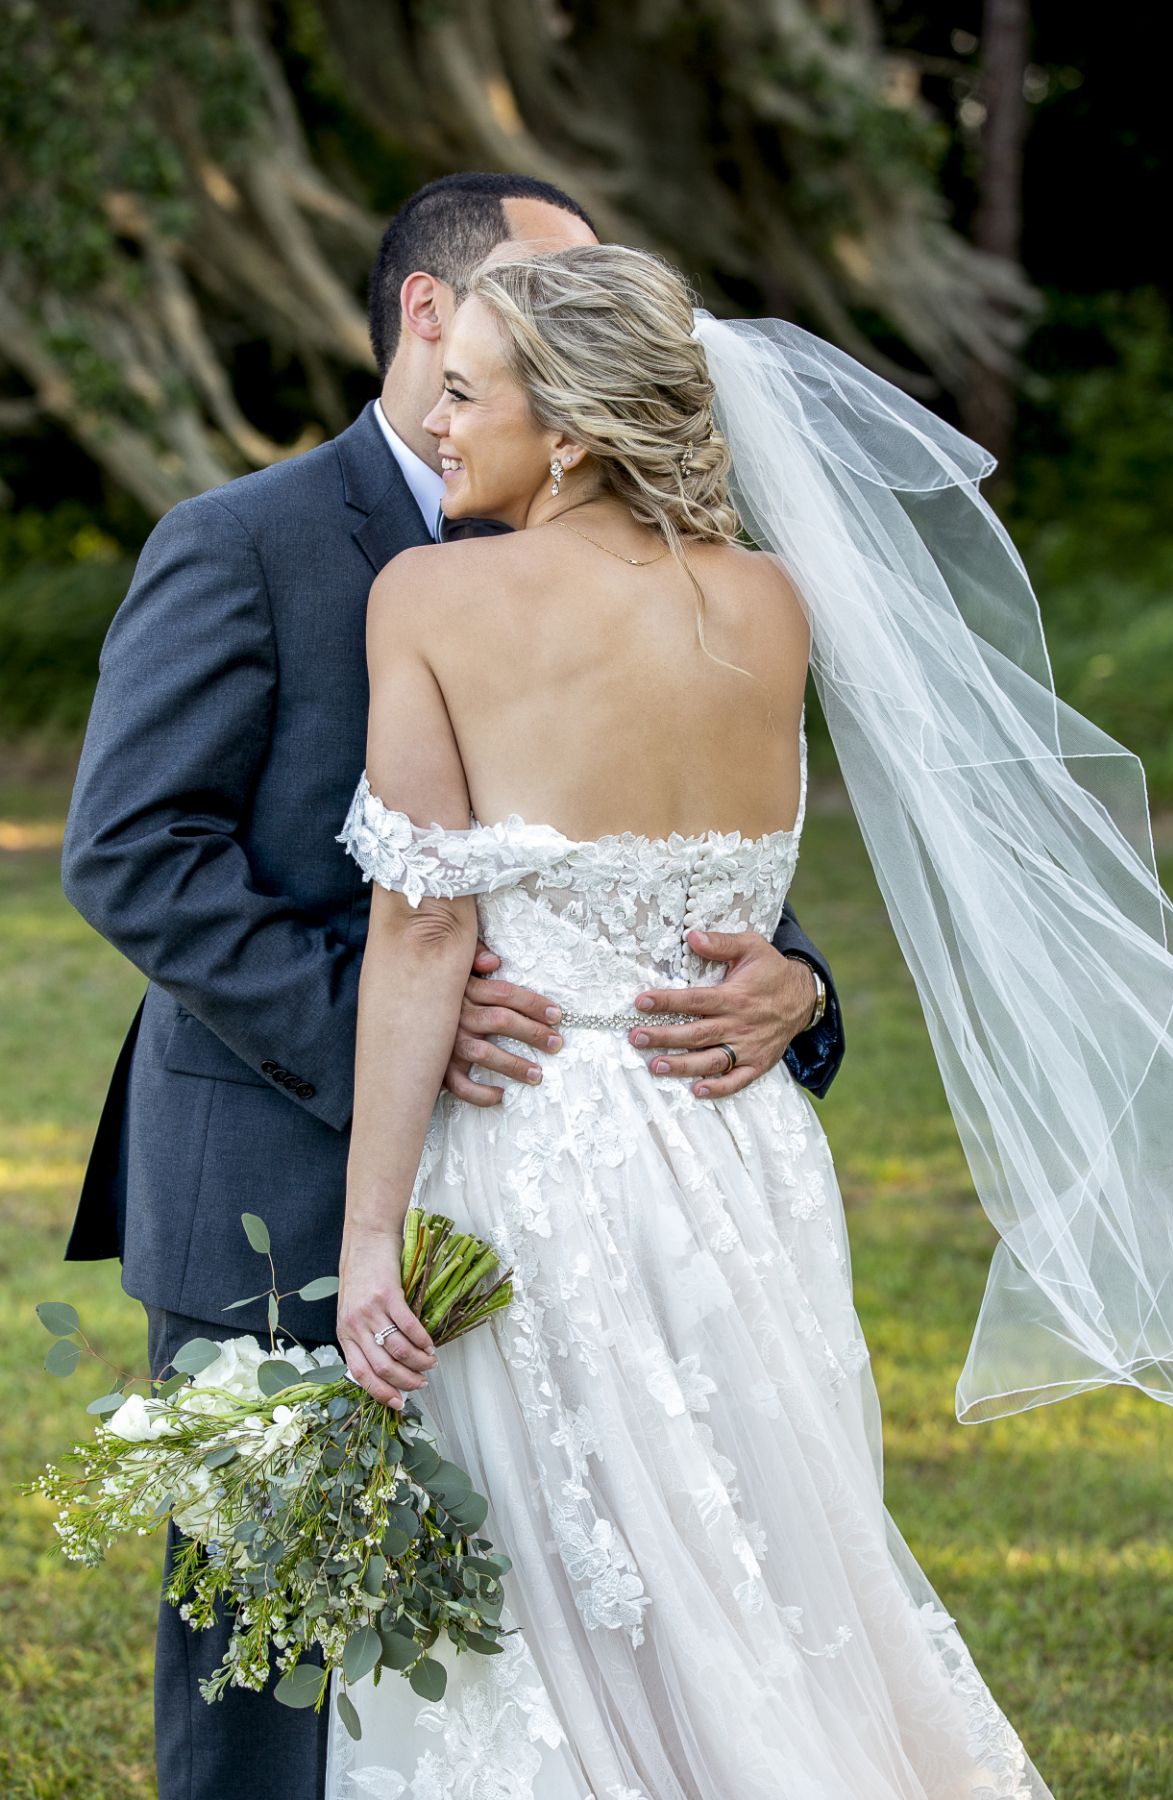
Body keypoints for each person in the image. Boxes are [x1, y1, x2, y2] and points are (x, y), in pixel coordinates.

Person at [58, 179, 844, 1800]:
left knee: (601, 1652)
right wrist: (378, 1023)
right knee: (267, 1687)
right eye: (546, 291)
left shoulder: (673, 577)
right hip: (280, 1173)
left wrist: (796, 988)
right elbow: (134, 853)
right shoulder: (247, 540)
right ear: (437, 312)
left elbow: (694, 872)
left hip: (590, 1203)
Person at [329, 244, 1054, 1798]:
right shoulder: (770, 603)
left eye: (465, 393)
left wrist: (367, 1236)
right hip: (742, 1151)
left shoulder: (432, 596)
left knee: (552, 1608)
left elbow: (424, 928)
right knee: (768, 1577)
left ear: (572, 429)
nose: (436, 423)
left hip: (539, 1159)